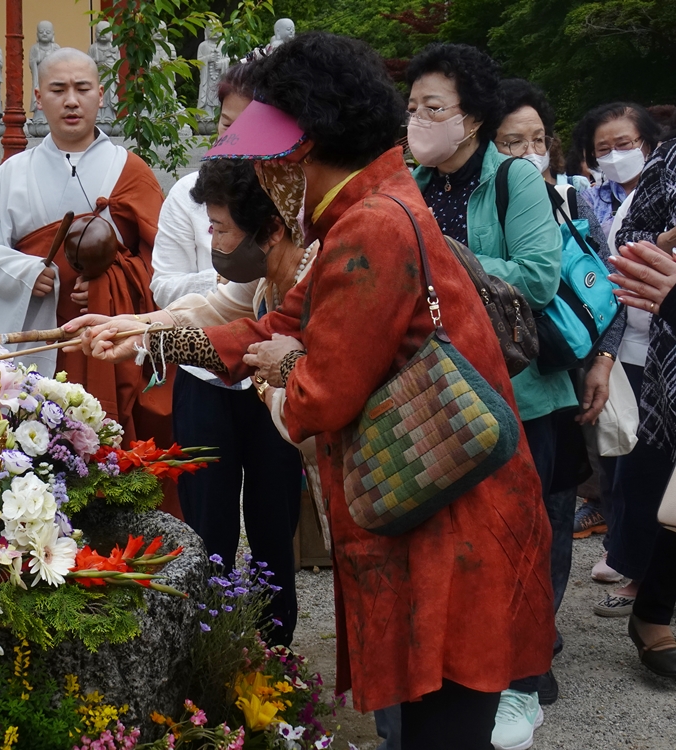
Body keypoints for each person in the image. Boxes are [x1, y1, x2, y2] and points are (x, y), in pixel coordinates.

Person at [66, 32, 555, 750]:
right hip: (435, 504)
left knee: (442, 732)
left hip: (448, 526)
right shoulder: (366, 209)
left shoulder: (370, 229)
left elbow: (314, 400)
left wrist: (283, 369)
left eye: (274, 158)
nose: (266, 175)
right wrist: (149, 337)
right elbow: (274, 326)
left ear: (307, 149)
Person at [405, 44, 565, 748]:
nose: (418, 120)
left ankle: (520, 687)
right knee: (461, 548)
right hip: (437, 394)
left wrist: (445, 254)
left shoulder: (512, 182)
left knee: (521, 544)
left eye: (433, 108)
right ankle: (461, 682)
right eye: (411, 107)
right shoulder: (408, 179)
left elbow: (537, 279)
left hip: (517, 394)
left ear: (471, 120)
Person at [147, 66, 306, 646]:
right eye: (225, 124)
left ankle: (273, 645)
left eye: (248, 125)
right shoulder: (195, 197)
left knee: (273, 520)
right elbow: (208, 300)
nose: (234, 137)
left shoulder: (302, 234)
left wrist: (149, 332)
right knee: (206, 519)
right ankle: (207, 638)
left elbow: (242, 317)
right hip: (204, 381)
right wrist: (140, 327)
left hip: (277, 394)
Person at [0, 48, 170, 455]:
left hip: (113, 343)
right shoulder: (13, 174)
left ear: (101, 95)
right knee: (37, 449)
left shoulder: (131, 171)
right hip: (41, 337)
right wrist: (25, 273)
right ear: (39, 98)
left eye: (82, 88)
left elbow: (162, 262)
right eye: (58, 89)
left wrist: (111, 282)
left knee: (116, 449)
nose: (71, 100)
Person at [493, 80, 631, 604]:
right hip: (501, 378)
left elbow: (609, 286)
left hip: (562, 377)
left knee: (553, 506)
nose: (530, 154)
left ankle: (541, 631)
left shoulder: (573, 196)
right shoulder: (484, 201)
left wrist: (602, 359)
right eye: (513, 143)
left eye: (538, 140)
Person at [608, 132, 676, 679]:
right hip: (672, 338)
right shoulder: (672, 156)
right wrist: (663, 249)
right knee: (668, 488)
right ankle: (654, 610)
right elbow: (630, 238)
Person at [579, 103, 661, 239]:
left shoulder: (669, 189)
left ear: (646, 142)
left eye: (623, 144)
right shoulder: (588, 202)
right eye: (603, 149)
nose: (614, 155)